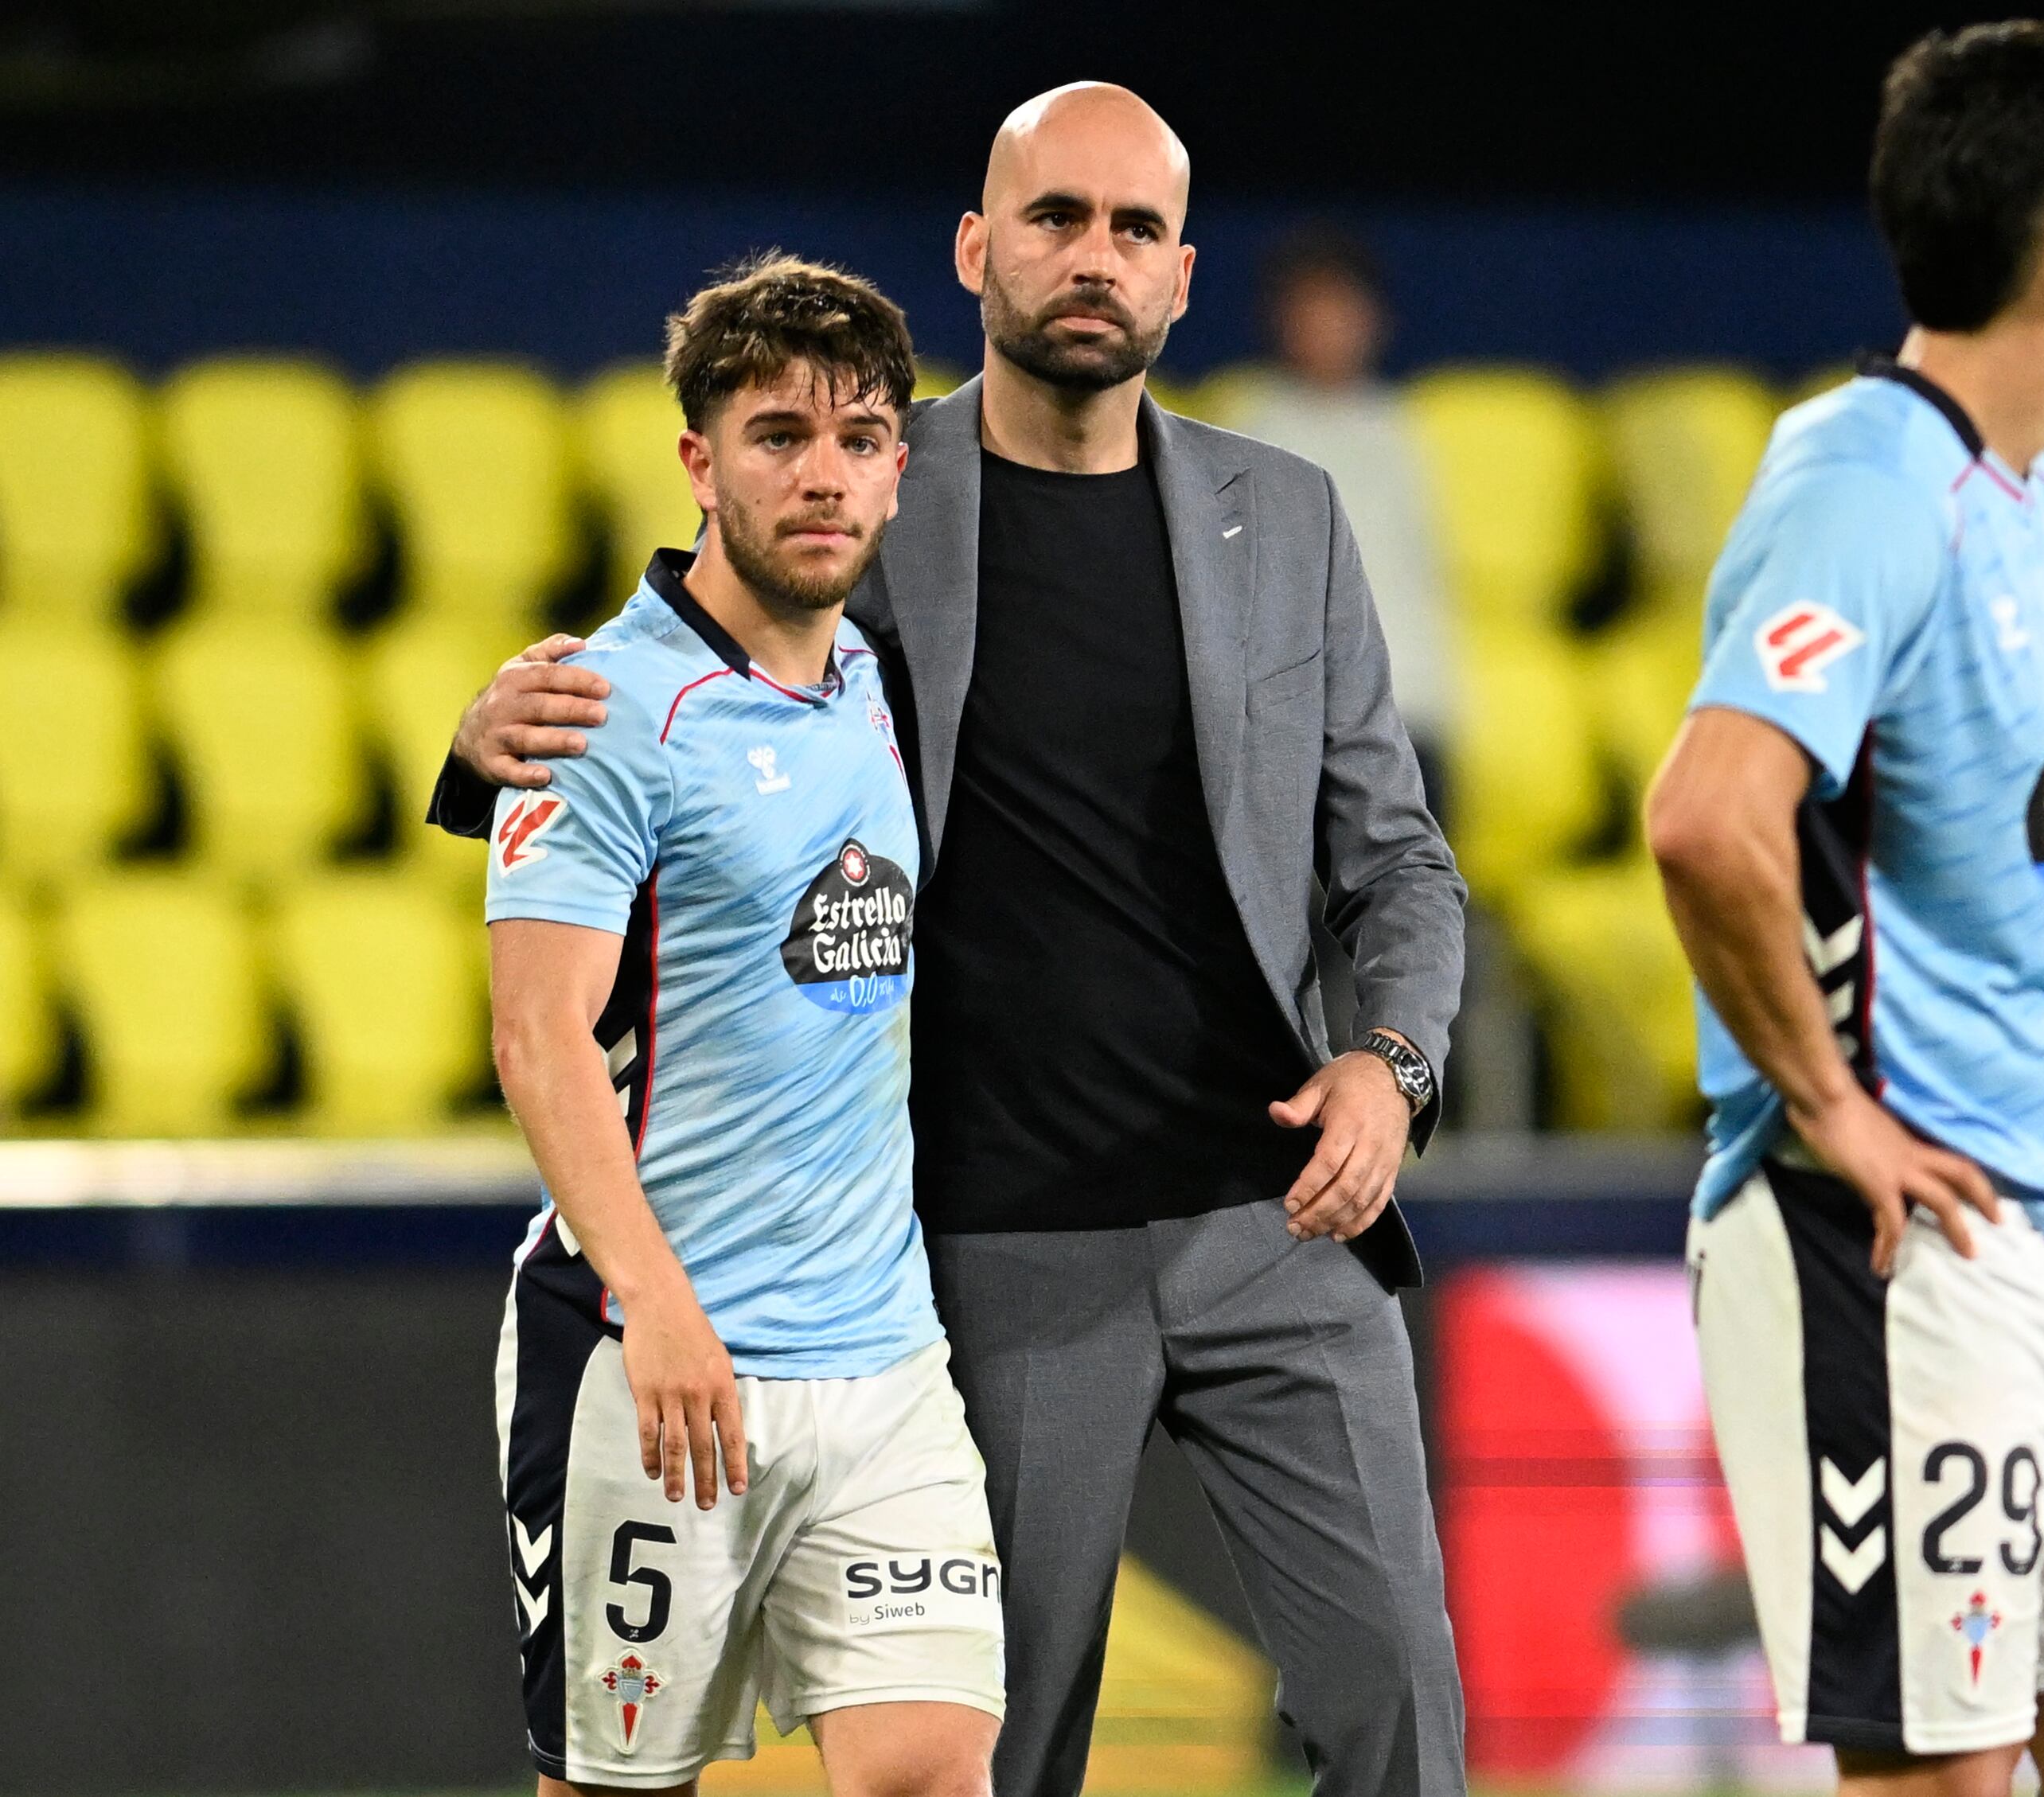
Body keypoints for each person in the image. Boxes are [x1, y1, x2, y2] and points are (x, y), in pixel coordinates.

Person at [435, 84, 1468, 1797]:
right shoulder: (872, 483)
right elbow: (681, 673)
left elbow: (1402, 863)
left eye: (1135, 230)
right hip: (997, 1248)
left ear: (1185, 276)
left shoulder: (1284, 519)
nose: (1094, 259)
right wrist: (485, 746)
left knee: (1402, 1716)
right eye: (1055, 218)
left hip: (1278, 1216)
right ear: (978, 248)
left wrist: (1394, 1064)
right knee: (997, 1749)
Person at [1645, 18, 2044, 1797]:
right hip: (1889, 1241)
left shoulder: (2021, 480)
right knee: (1940, 1781)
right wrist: (1828, 1108)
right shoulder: (1865, 478)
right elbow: (1706, 818)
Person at [486, 256, 1001, 1793]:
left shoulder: (883, 675)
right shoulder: (598, 708)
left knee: (927, 1767)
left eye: (858, 437)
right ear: (700, 461)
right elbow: (538, 1038)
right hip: (651, 1354)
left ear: (901, 468)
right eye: (778, 436)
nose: (823, 474)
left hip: (886, 1357)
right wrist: (656, 1303)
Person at [1211, 228, 1453, 797]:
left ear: (1374, 317)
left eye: (1341, 307)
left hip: (1408, 711)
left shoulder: (1404, 431)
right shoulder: (1250, 427)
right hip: (1290, 721)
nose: (1326, 326)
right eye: (1309, 308)